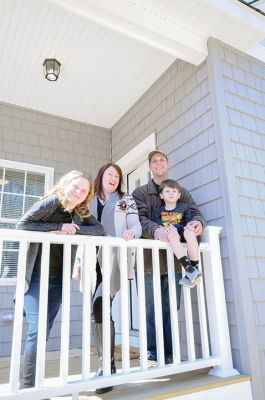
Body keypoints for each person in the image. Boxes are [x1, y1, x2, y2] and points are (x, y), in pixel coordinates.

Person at [16, 170, 105, 389]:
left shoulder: (80, 211)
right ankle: (28, 388)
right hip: (36, 276)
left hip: (58, 278)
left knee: (43, 331)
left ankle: (34, 386)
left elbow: (99, 230)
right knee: (37, 330)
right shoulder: (52, 202)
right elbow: (22, 225)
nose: (78, 193)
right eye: (76, 187)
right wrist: (57, 228)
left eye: (84, 191)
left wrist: (73, 231)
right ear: (66, 184)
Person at [72, 163, 142, 394]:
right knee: (97, 309)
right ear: (101, 176)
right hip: (91, 258)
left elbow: (135, 224)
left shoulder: (126, 199)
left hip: (113, 258)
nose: (113, 178)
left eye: (117, 175)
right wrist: (78, 263)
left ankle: (107, 367)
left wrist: (133, 232)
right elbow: (81, 231)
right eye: (109, 174)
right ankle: (107, 365)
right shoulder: (88, 198)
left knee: (102, 304)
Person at [132, 150, 206, 364]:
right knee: (149, 307)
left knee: (172, 306)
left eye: (161, 160)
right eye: (154, 161)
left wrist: (197, 223)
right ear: (150, 167)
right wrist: (156, 231)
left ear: (167, 164)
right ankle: (152, 352)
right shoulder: (140, 193)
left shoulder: (180, 191)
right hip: (148, 261)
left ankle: (170, 353)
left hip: (175, 261)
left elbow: (195, 212)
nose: (158, 164)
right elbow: (140, 220)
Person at [153, 179, 202, 288]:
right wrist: (163, 229)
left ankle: (192, 269)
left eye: (174, 191)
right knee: (171, 232)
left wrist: (190, 226)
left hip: (183, 231)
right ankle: (191, 269)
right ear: (161, 195)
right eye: (167, 191)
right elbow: (157, 225)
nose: (171, 193)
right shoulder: (158, 210)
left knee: (190, 232)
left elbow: (189, 221)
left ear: (179, 195)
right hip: (172, 233)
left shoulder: (184, 206)